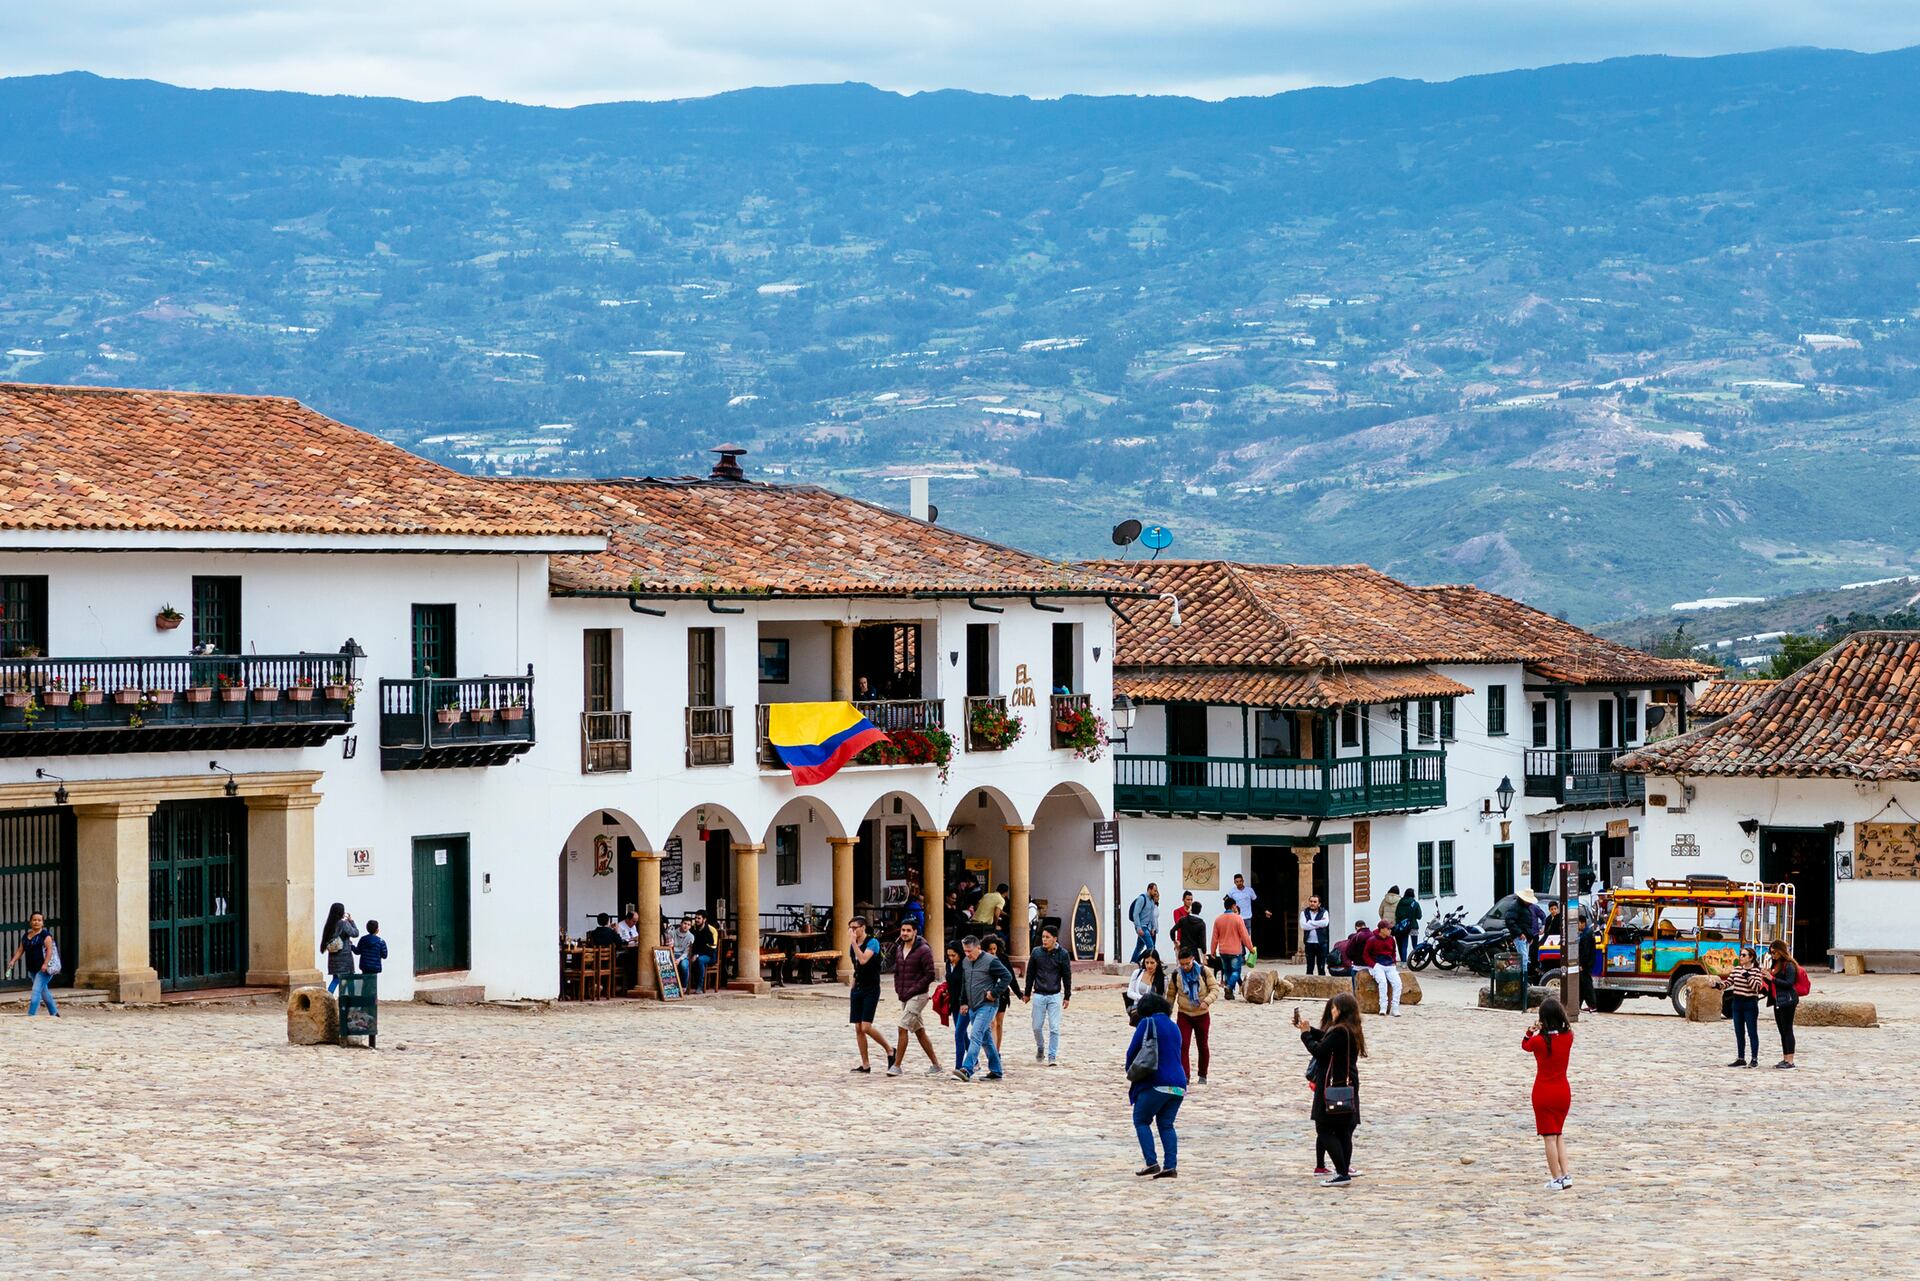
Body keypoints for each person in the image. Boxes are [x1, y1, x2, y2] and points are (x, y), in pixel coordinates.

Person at [1296, 991, 1365, 1186]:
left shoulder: (1339, 1031)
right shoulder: (1352, 1029)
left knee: (1324, 1128)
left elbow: (1319, 1050)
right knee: (1344, 1130)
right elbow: (1327, 1038)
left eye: (1334, 1007)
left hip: (1332, 1085)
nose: (1332, 1010)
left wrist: (1305, 1036)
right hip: (1349, 1083)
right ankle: (1343, 1170)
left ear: (1341, 1010)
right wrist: (1309, 1030)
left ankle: (1342, 1173)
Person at [1125, 992, 1186, 1179]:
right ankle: (1170, 1166)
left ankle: (1151, 1162)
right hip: (1178, 1085)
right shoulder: (1174, 1027)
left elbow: (1132, 1051)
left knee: (1141, 1120)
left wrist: (1131, 1072)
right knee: (1166, 1124)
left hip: (1157, 1082)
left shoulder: (1147, 1023)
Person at [1524, 996, 1575, 1190]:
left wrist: (1531, 1031)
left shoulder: (1538, 1041)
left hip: (1544, 1092)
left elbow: (1525, 1045)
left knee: (1549, 1137)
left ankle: (1555, 1178)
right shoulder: (1568, 1037)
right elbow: (1565, 1030)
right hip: (1563, 1091)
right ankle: (1566, 1175)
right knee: (1559, 1134)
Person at [953, 934, 1014, 1082]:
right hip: (973, 1006)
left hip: (987, 1005)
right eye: (965, 951)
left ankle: (967, 1069)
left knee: (976, 1035)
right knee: (986, 1039)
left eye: (970, 951)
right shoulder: (966, 963)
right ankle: (996, 1071)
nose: (967, 954)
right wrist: (963, 1002)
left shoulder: (991, 961)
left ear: (978, 948)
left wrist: (994, 993)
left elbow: (1007, 976)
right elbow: (965, 984)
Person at [889, 918, 942, 1077]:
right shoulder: (899, 949)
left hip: (918, 996)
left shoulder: (924, 950)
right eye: (903, 930)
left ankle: (896, 1066)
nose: (904, 933)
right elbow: (897, 972)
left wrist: (913, 990)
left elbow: (930, 974)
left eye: (908, 930)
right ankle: (936, 1064)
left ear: (915, 932)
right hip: (905, 995)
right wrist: (899, 989)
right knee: (919, 1031)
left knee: (902, 1026)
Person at [846, 916, 894, 1073]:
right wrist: (853, 985)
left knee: (866, 1026)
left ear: (863, 927)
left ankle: (889, 1049)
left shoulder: (872, 942)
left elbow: (863, 960)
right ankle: (865, 1064)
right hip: (858, 988)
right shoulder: (853, 946)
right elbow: (856, 967)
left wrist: (853, 943)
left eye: (855, 928)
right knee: (858, 1027)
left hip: (871, 988)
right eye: (850, 928)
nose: (852, 931)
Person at [1168, 947, 1221, 1085]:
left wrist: (1207, 1001)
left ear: (1193, 959)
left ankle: (1202, 1074)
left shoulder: (1204, 971)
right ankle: (1185, 1075)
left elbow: (1215, 989)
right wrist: (1166, 1013)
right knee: (1183, 1045)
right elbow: (1171, 995)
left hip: (1202, 1014)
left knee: (1202, 1045)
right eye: (1182, 964)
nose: (1185, 967)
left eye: (1188, 963)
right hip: (1184, 1013)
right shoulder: (1176, 975)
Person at [1024, 925, 1073, 1066]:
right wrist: (1027, 993)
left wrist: (1067, 996)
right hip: (1039, 994)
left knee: (1054, 1028)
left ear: (1055, 939)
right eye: (1043, 937)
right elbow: (1030, 974)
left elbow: (1066, 975)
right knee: (1036, 1026)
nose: (1044, 940)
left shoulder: (1063, 954)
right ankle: (1040, 1046)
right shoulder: (1036, 953)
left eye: (1047, 937)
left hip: (1054, 995)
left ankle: (1052, 1055)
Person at [1710, 946, 1768, 1068]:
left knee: (1752, 1032)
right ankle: (1741, 1058)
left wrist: (1747, 975)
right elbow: (1727, 983)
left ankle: (1754, 1058)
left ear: (1751, 958)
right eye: (1740, 955)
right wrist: (1716, 985)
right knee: (1739, 1032)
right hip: (1737, 1003)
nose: (1741, 957)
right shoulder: (1736, 970)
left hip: (1750, 1004)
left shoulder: (1757, 971)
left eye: (1744, 955)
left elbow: (1756, 987)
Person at [7, 910, 59, 1017]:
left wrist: (45, 964)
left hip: (44, 969)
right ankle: (54, 1013)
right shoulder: (26, 936)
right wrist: (13, 961)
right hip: (32, 969)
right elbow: (20, 950)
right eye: (34, 920)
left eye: (39, 920)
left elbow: (50, 951)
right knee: (44, 992)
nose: (36, 922)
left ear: (42, 923)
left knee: (36, 991)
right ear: (30, 922)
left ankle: (31, 1015)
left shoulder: (45, 935)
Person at [1767, 939, 1801, 1069]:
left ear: (1781, 951)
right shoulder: (1776, 964)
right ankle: (1785, 1057)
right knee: (1781, 1030)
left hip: (1787, 1000)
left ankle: (1790, 1060)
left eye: (1774, 952)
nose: (1773, 955)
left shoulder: (1789, 965)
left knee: (1787, 1029)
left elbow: (1789, 983)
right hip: (1777, 1000)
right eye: (1771, 953)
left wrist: (1773, 979)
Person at [1211, 899, 1253, 999]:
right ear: (1233, 906)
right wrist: (1250, 948)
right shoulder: (1238, 919)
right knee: (1236, 972)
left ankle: (1229, 994)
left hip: (1223, 951)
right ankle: (1229, 987)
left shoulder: (1218, 919)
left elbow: (1214, 937)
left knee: (1227, 971)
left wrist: (1212, 950)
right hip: (1235, 951)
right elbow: (1244, 936)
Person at [1364, 919, 1403, 1015]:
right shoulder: (1372, 940)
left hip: (1390, 965)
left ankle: (1395, 1007)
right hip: (1378, 964)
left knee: (1398, 984)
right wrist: (1373, 965)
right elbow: (1366, 954)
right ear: (1381, 929)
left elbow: (1393, 951)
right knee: (1382, 982)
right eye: (1388, 928)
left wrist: (1393, 961)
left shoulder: (1391, 939)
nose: (1390, 930)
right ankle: (1383, 1007)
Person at [320, 902, 359, 995]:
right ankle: (350, 1002)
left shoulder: (329, 924)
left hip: (333, 958)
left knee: (335, 980)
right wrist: (351, 921)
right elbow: (355, 933)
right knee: (349, 980)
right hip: (344, 958)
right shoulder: (343, 923)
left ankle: (327, 998)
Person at [943, 942, 971, 1065]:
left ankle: (959, 1066)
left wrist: (965, 1002)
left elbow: (967, 985)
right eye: (949, 955)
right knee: (963, 1034)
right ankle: (974, 1061)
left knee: (959, 1034)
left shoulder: (966, 965)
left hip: (966, 1004)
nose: (951, 958)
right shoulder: (948, 964)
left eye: (953, 955)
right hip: (954, 1004)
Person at [1504, 888, 1538, 977]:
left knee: (1524, 959)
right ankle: (1523, 980)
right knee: (1524, 959)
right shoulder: (1515, 906)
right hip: (1520, 936)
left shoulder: (1525, 907)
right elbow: (1509, 921)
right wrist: (1519, 933)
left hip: (1525, 936)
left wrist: (1529, 937)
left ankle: (1523, 979)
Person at [1124, 952, 1166, 1022]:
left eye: (1152, 963)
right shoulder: (1137, 973)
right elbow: (1130, 992)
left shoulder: (1163, 978)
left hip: (1154, 1013)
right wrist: (1143, 999)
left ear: (1157, 962)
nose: (1149, 966)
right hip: (1138, 1010)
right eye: (1147, 962)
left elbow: (1162, 997)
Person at [686, 910, 719, 994]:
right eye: (695, 918)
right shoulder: (692, 928)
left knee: (700, 960)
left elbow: (712, 948)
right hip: (694, 954)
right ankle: (685, 986)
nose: (696, 920)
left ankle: (699, 987)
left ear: (704, 919)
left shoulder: (712, 930)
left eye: (699, 918)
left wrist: (697, 955)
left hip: (710, 955)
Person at [1129, 883, 1161, 964]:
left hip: (1148, 927)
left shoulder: (1152, 901)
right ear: (1149, 889)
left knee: (1139, 946)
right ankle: (1155, 964)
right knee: (1151, 946)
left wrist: (1153, 927)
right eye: (1154, 890)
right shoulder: (1142, 898)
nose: (1155, 892)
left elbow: (1152, 916)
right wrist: (1138, 927)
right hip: (1142, 926)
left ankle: (1133, 961)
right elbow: (1135, 914)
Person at [1300, 895, 1331, 975]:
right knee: (1309, 967)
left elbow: (1325, 923)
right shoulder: (1304, 913)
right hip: (1309, 943)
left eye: (1315, 902)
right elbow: (1303, 926)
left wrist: (1310, 922)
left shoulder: (1324, 912)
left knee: (1321, 967)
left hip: (1321, 942)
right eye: (1311, 901)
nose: (1312, 903)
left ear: (1319, 904)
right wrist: (1318, 924)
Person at [354, 919, 388, 988]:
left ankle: (365, 997)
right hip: (375, 967)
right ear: (377, 930)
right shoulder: (381, 941)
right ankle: (373, 998)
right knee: (373, 984)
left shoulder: (363, 939)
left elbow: (357, 951)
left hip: (365, 966)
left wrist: (351, 946)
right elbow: (384, 955)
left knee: (365, 983)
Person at [1394, 888, 1423, 963]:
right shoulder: (1415, 903)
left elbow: (1397, 914)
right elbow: (1419, 916)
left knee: (1404, 945)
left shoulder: (1400, 902)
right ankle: (1417, 960)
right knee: (1415, 945)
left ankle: (1403, 962)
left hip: (1403, 927)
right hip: (1413, 926)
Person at [668, 915, 694, 990]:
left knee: (684, 965)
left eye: (689, 925)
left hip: (683, 956)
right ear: (681, 923)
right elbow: (669, 947)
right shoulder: (672, 933)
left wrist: (679, 959)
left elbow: (687, 952)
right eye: (685, 923)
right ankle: (670, 987)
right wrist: (673, 957)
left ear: (690, 926)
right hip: (672, 954)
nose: (686, 926)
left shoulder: (691, 936)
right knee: (667, 964)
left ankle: (683, 986)